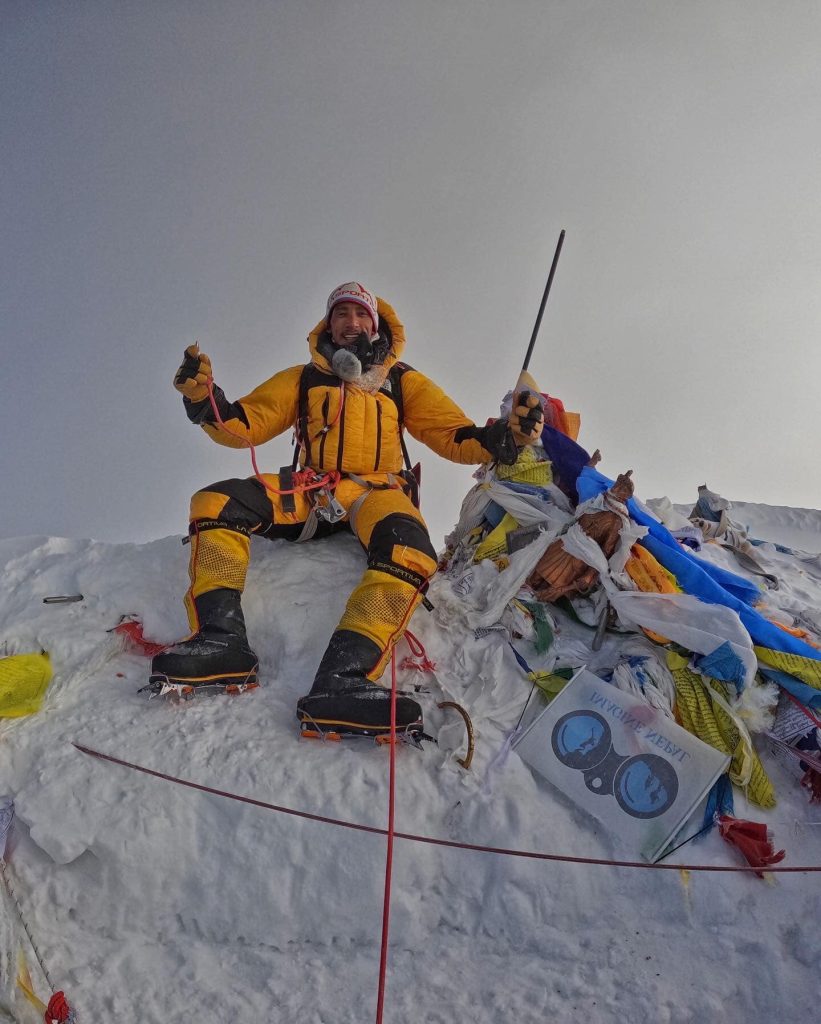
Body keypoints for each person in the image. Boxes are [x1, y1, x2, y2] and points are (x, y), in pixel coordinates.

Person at [150, 282, 544, 735]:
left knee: (410, 552)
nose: (351, 322)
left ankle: (344, 681)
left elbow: (453, 434)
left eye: (360, 314)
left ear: (374, 325)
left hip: (377, 493)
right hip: (312, 489)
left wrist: (504, 437)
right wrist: (203, 400)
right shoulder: (305, 377)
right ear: (328, 325)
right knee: (214, 502)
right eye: (341, 314)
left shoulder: (401, 379)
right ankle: (219, 643)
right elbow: (243, 423)